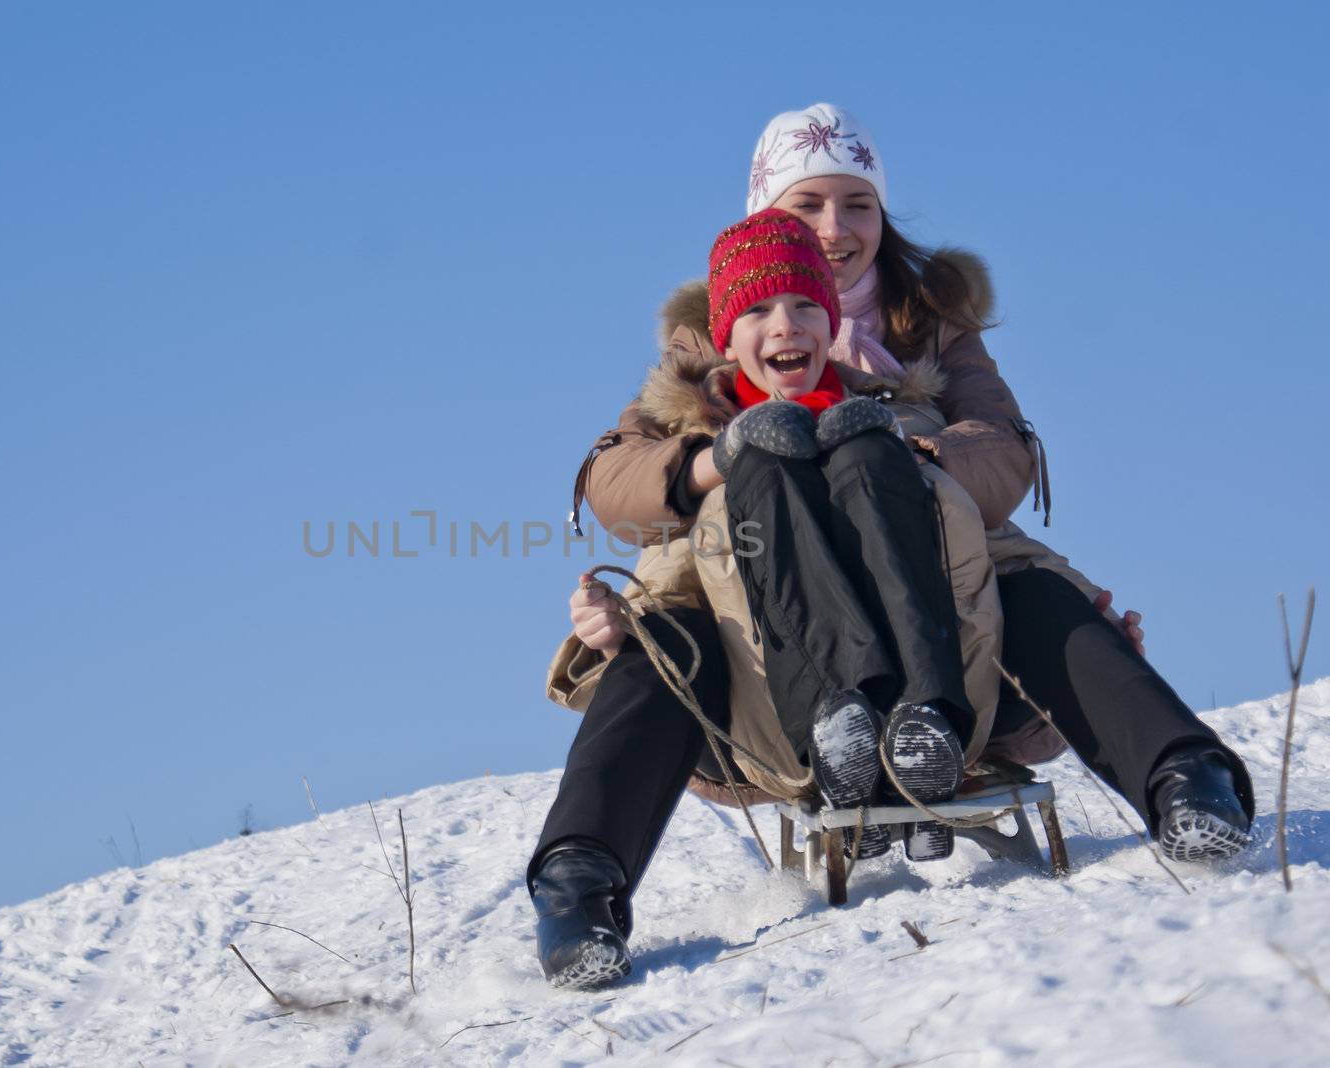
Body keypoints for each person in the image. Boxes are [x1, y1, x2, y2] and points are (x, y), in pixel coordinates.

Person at [530, 103, 1253, 990]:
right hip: (767, 676)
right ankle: (579, 889)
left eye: (856, 204)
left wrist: (887, 450)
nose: (834, 231)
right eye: (805, 207)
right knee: (663, 647)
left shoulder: (933, 329)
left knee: (1037, 598)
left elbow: (1001, 447)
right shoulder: (709, 355)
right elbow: (619, 479)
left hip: (943, 639)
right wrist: (716, 459)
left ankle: (1187, 782)